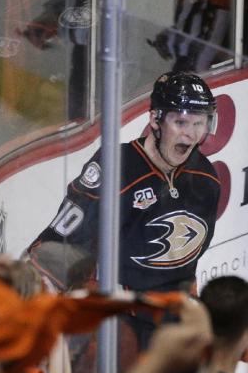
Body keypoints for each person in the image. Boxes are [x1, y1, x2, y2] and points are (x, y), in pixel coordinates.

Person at [27, 70, 221, 347]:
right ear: (155, 120)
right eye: (181, 122)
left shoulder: (206, 179)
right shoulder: (116, 167)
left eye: (200, 124)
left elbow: (186, 262)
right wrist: (35, 285)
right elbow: (63, 241)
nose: (191, 135)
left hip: (171, 317)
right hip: (115, 315)